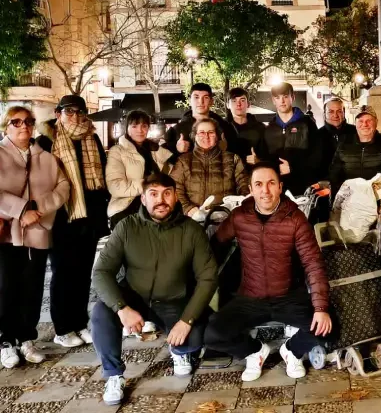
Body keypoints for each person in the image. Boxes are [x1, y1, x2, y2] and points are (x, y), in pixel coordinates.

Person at [91, 173, 218, 405]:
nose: (161, 200)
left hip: (174, 299)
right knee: (100, 313)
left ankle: (180, 352)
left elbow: (208, 278)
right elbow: (101, 272)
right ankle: (113, 374)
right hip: (134, 297)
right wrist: (122, 308)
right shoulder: (126, 227)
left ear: (175, 196)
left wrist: (186, 320)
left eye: (167, 193)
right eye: (154, 194)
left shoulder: (191, 230)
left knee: (198, 335)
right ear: (143, 198)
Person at [204, 162, 332, 382]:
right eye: (259, 184)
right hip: (250, 297)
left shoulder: (295, 218)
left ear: (280, 187)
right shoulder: (239, 216)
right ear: (251, 189)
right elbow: (215, 247)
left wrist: (320, 307)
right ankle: (254, 351)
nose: (265, 190)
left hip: (288, 296)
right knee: (211, 334)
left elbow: (313, 263)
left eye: (271, 183)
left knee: (329, 327)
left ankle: (292, 351)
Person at [37, 95, 110, 348]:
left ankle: (79, 323)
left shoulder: (92, 137)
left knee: (82, 274)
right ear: (58, 114)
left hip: (88, 218)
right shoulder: (46, 141)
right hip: (61, 217)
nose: (75, 116)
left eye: (79, 111)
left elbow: (101, 174)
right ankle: (63, 327)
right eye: (69, 111)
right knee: (62, 273)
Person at [0, 107, 69, 368]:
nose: (23, 127)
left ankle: (27, 337)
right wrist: (20, 210)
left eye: (28, 122)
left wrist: (38, 208)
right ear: (6, 126)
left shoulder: (46, 158)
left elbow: (63, 188)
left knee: (32, 286)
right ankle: (6, 340)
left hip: (37, 231)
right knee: (6, 287)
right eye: (16, 122)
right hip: (6, 234)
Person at [169, 119, 249, 220]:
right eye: (202, 132)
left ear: (217, 136)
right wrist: (188, 208)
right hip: (192, 220)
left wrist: (236, 207)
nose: (206, 136)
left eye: (211, 132)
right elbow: (175, 187)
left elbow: (244, 185)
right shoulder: (183, 161)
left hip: (226, 219)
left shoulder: (232, 159)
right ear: (195, 136)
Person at [106, 110, 173, 229]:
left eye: (144, 126)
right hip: (127, 205)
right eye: (134, 126)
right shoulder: (118, 151)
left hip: (155, 204)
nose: (140, 130)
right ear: (127, 128)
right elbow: (115, 186)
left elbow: (169, 176)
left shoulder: (157, 150)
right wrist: (147, 185)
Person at [328, 105, 381, 197]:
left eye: (369, 121)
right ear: (355, 124)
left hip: (378, 197)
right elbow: (334, 172)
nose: (365, 125)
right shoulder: (344, 144)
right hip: (349, 197)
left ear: (376, 122)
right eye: (361, 121)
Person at [262, 82, 320, 197]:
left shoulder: (307, 124)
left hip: (303, 189)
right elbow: (267, 158)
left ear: (292, 97)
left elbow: (317, 157)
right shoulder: (270, 129)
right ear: (273, 101)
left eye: (285, 97)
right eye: (278, 98)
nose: (282, 101)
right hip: (277, 190)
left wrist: (293, 168)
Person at [163, 83, 238, 161]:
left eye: (205, 98)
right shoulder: (177, 130)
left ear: (211, 101)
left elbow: (237, 156)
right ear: (189, 101)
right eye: (196, 97)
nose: (200, 101)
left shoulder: (225, 127)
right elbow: (164, 162)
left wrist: (226, 149)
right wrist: (177, 150)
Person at [226, 87, 268, 170]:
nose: (238, 104)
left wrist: (258, 161)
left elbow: (268, 158)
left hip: (253, 175)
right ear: (227, 105)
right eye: (234, 101)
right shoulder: (221, 127)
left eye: (242, 100)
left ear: (248, 104)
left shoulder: (260, 128)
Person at [317, 97, 356, 180]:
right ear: (324, 114)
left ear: (344, 113)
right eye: (331, 111)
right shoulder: (316, 135)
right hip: (326, 185)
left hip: (353, 182)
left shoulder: (356, 132)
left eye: (339, 111)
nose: (335, 115)